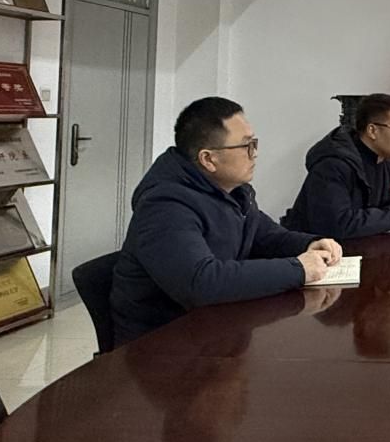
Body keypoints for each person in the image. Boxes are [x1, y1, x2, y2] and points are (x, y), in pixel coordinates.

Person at [111, 97, 342, 346]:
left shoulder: (233, 192)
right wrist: (298, 269)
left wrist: (310, 243)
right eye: (246, 146)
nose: (255, 154)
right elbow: (202, 283)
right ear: (208, 159)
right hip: (160, 346)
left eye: (254, 143)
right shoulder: (165, 205)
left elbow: (266, 236)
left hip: (214, 330)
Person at [282, 93, 390, 239]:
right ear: (372, 130)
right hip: (312, 247)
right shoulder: (333, 164)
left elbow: (375, 203)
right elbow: (338, 225)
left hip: (356, 246)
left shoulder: (384, 158)